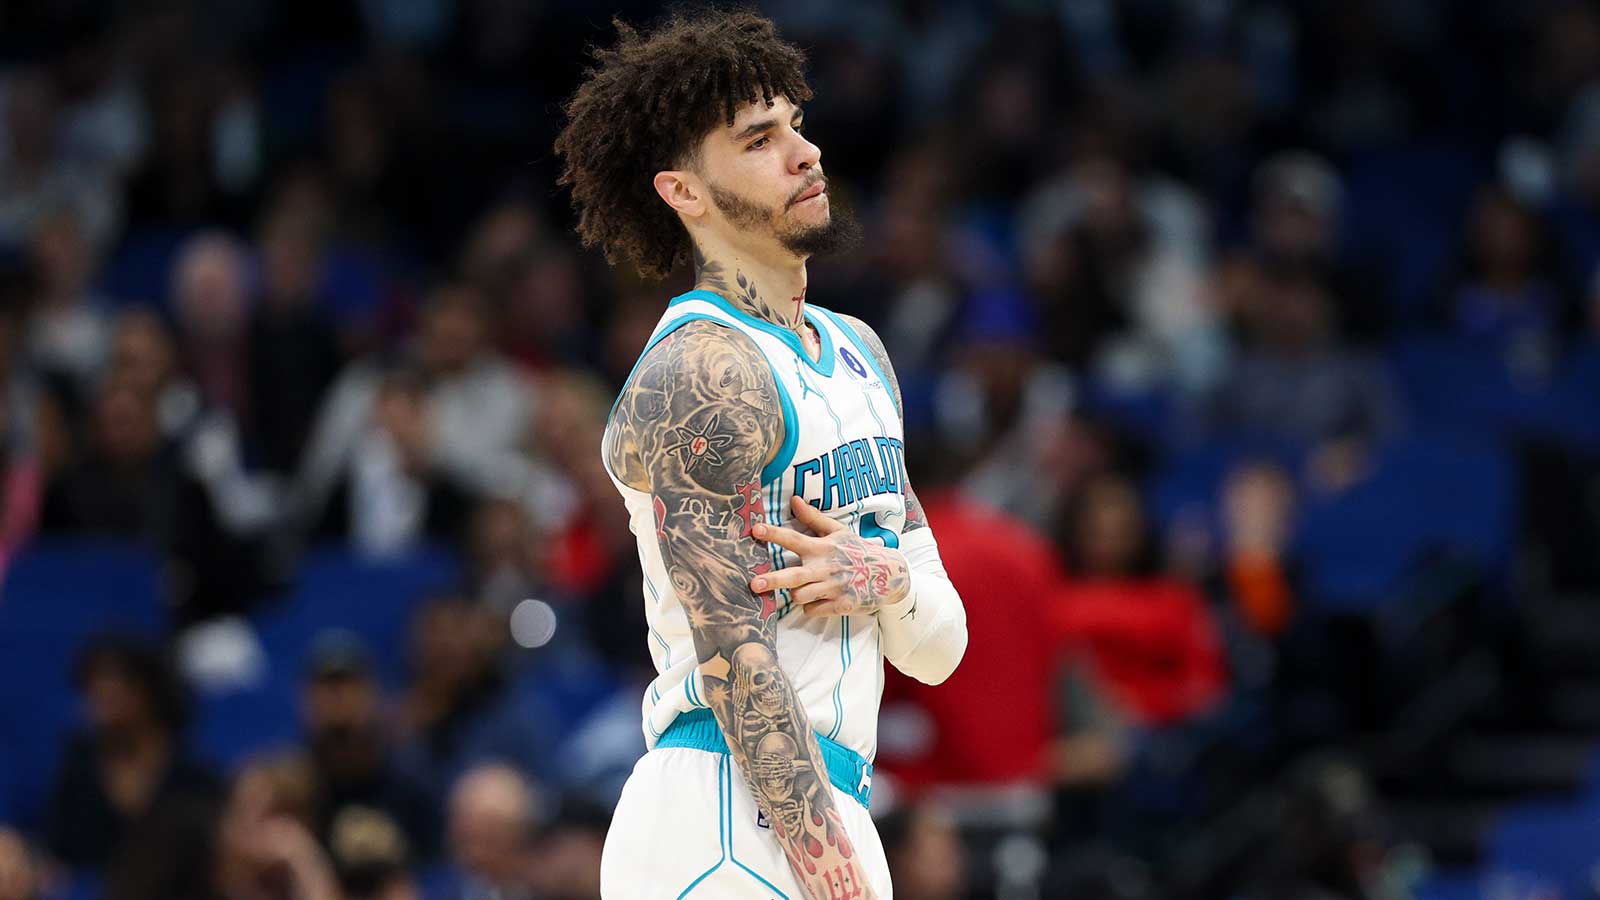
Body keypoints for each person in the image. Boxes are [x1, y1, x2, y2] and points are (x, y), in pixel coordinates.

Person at [554, 11, 969, 898]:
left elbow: (939, 647)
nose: (804, 152)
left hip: (829, 799)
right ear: (684, 193)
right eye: (760, 139)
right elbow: (737, 665)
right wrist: (833, 871)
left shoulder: (860, 352)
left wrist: (882, 575)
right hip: (729, 810)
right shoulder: (699, 371)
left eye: (797, 124)